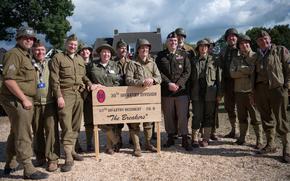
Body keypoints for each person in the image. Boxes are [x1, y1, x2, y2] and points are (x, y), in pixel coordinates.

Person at [0, 27, 49, 179]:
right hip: (16, 99)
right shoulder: (14, 54)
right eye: (25, 37)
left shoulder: (26, 55)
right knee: (24, 132)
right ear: (18, 39)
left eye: (31, 38)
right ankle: (28, 168)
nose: (29, 40)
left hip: (23, 98)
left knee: (16, 131)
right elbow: (8, 80)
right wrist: (24, 99)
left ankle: (10, 162)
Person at [50, 34, 94, 172]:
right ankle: (68, 156)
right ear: (66, 44)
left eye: (75, 44)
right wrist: (59, 96)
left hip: (79, 94)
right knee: (66, 125)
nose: (73, 46)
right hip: (65, 94)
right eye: (70, 44)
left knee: (76, 125)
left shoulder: (80, 59)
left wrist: (89, 83)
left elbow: (83, 75)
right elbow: (54, 79)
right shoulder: (58, 58)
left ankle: (73, 150)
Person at [253, 30, 290, 163]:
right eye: (261, 40)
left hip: (277, 89)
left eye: (266, 38)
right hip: (261, 90)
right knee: (266, 118)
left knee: (281, 119)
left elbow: (288, 68)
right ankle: (270, 145)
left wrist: (287, 86)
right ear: (257, 42)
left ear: (269, 39)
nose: (264, 41)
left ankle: (287, 149)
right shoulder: (257, 55)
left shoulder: (280, 50)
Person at [156, 32, 192, 151]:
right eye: (171, 41)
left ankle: (185, 138)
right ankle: (170, 137)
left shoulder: (184, 54)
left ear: (178, 42)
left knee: (182, 115)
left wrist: (178, 84)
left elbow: (187, 71)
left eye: (175, 41)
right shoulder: (160, 56)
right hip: (167, 91)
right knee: (168, 116)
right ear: (167, 42)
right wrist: (168, 84)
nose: (173, 43)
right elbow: (158, 72)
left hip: (181, 91)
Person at [126, 38, 162, 157]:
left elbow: (159, 78)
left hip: (148, 98)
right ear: (138, 50)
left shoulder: (152, 63)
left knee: (148, 123)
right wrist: (142, 82)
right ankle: (137, 147)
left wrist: (152, 80)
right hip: (135, 98)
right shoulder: (132, 63)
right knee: (135, 124)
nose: (145, 50)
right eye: (142, 48)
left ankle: (147, 143)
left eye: (146, 48)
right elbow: (128, 80)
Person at [86, 43, 121, 155]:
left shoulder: (115, 65)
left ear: (111, 54)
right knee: (99, 121)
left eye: (108, 52)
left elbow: (119, 81)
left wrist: (108, 89)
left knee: (112, 121)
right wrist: (91, 84)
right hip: (97, 98)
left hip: (112, 97)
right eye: (104, 52)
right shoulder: (93, 65)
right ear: (100, 54)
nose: (106, 54)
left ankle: (109, 146)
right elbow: (85, 76)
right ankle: (115, 140)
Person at [229, 34, 263, 149]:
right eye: (242, 44)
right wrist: (247, 70)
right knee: (242, 116)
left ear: (250, 44)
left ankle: (260, 140)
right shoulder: (236, 58)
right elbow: (232, 73)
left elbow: (255, 70)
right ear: (239, 46)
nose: (244, 45)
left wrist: (241, 68)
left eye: (246, 43)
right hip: (239, 91)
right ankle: (242, 138)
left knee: (255, 117)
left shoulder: (256, 56)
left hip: (252, 91)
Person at [31, 40, 60, 172]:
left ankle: (53, 159)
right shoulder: (28, 63)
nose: (40, 52)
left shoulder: (50, 63)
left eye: (42, 50)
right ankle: (40, 157)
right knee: (37, 132)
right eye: (37, 50)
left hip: (49, 103)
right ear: (33, 51)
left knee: (51, 132)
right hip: (34, 103)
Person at [190, 39, 221, 147]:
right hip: (196, 92)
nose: (203, 48)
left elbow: (219, 78)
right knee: (196, 116)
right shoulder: (193, 61)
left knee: (208, 116)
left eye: (205, 46)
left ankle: (205, 139)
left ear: (208, 48)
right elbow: (189, 78)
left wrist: (219, 94)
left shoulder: (214, 61)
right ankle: (194, 138)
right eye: (201, 46)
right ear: (198, 48)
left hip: (210, 92)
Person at [219, 28, 239, 138]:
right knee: (229, 107)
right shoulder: (223, 51)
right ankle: (234, 129)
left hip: (240, 83)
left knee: (241, 108)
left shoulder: (242, 48)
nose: (232, 38)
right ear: (226, 39)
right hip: (227, 83)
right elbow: (221, 66)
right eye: (229, 36)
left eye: (234, 36)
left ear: (237, 37)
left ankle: (242, 132)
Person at [113, 39, 131, 148]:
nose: (123, 50)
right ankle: (118, 141)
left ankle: (132, 138)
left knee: (132, 118)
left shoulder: (131, 62)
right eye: (121, 48)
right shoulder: (113, 63)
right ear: (117, 50)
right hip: (117, 94)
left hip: (129, 94)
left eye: (124, 48)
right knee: (118, 120)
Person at [77, 43, 94, 152]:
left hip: (89, 96)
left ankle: (89, 143)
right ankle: (75, 144)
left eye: (87, 50)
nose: (85, 52)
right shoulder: (76, 64)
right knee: (76, 121)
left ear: (90, 52)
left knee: (89, 122)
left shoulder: (94, 65)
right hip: (78, 94)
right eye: (82, 50)